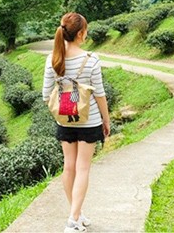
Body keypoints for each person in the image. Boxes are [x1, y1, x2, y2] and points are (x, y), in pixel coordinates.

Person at [43, 12, 111, 233]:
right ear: (81, 33)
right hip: (88, 121)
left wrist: (63, 110)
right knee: (82, 169)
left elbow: (46, 95)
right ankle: (73, 219)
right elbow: (99, 94)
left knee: (69, 167)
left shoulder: (54, 59)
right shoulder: (91, 60)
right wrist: (105, 119)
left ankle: (77, 213)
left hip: (65, 119)